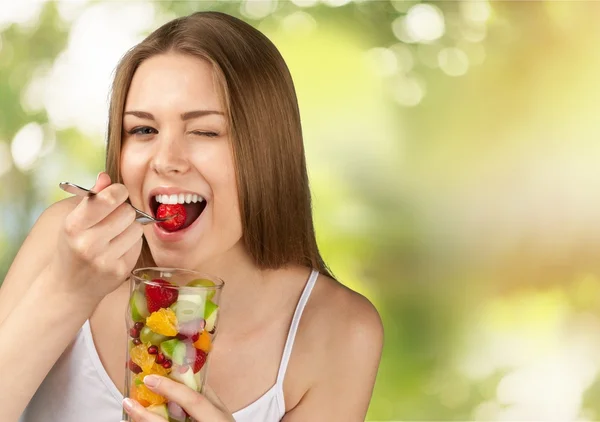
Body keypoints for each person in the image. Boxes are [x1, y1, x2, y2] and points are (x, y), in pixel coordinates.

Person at [0, 11, 383, 422]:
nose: (166, 161)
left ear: (268, 152)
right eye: (143, 131)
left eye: (205, 131)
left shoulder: (338, 331)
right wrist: (67, 291)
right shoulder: (66, 237)